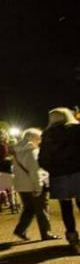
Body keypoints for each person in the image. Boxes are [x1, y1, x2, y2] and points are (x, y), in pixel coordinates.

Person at [39, 107, 80, 249]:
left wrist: (53, 170)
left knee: (66, 207)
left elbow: (43, 159)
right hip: (78, 171)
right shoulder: (77, 129)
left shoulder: (48, 134)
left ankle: (72, 237)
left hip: (60, 175)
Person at [12, 128, 59, 241]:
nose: (40, 141)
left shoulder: (17, 151)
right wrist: (38, 187)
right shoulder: (32, 151)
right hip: (33, 185)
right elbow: (34, 171)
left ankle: (20, 229)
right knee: (41, 209)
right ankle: (46, 233)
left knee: (29, 209)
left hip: (22, 186)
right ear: (33, 138)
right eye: (38, 138)